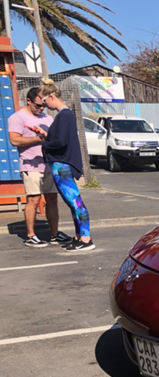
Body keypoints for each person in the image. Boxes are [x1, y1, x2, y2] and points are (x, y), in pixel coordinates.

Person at [7, 87, 71, 248]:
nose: (41, 108)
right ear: (28, 101)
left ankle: (54, 233)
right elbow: (15, 141)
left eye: (43, 105)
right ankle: (30, 235)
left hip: (49, 164)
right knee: (33, 199)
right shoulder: (17, 118)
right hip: (30, 164)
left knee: (52, 199)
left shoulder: (48, 118)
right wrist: (39, 138)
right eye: (38, 105)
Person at [36, 79, 94, 252]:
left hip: (62, 165)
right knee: (72, 203)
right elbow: (61, 139)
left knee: (75, 202)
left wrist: (44, 145)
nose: (44, 105)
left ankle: (86, 239)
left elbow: (60, 142)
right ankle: (79, 237)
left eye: (44, 101)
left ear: (52, 96)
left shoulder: (64, 115)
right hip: (62, 163)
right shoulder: (65, 115)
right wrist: (47, 136)